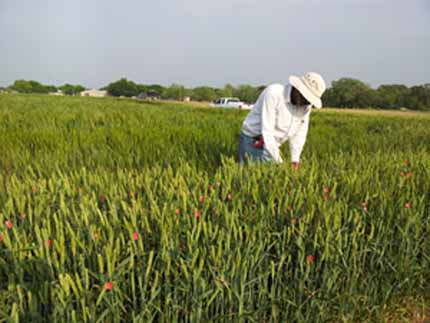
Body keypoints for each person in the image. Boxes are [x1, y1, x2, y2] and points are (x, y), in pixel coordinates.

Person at [238, 72, 326, 169]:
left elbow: (300, 133)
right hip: (254, 140)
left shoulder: (305, 106)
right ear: (297, 88)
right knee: (251, 177)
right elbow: (267, 132)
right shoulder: (274, 94)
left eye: (309, 100)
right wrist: (279, 163)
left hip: (273, 144)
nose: (306, 102)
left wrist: (295, 160)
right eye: (305, 97)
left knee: (269, 178)